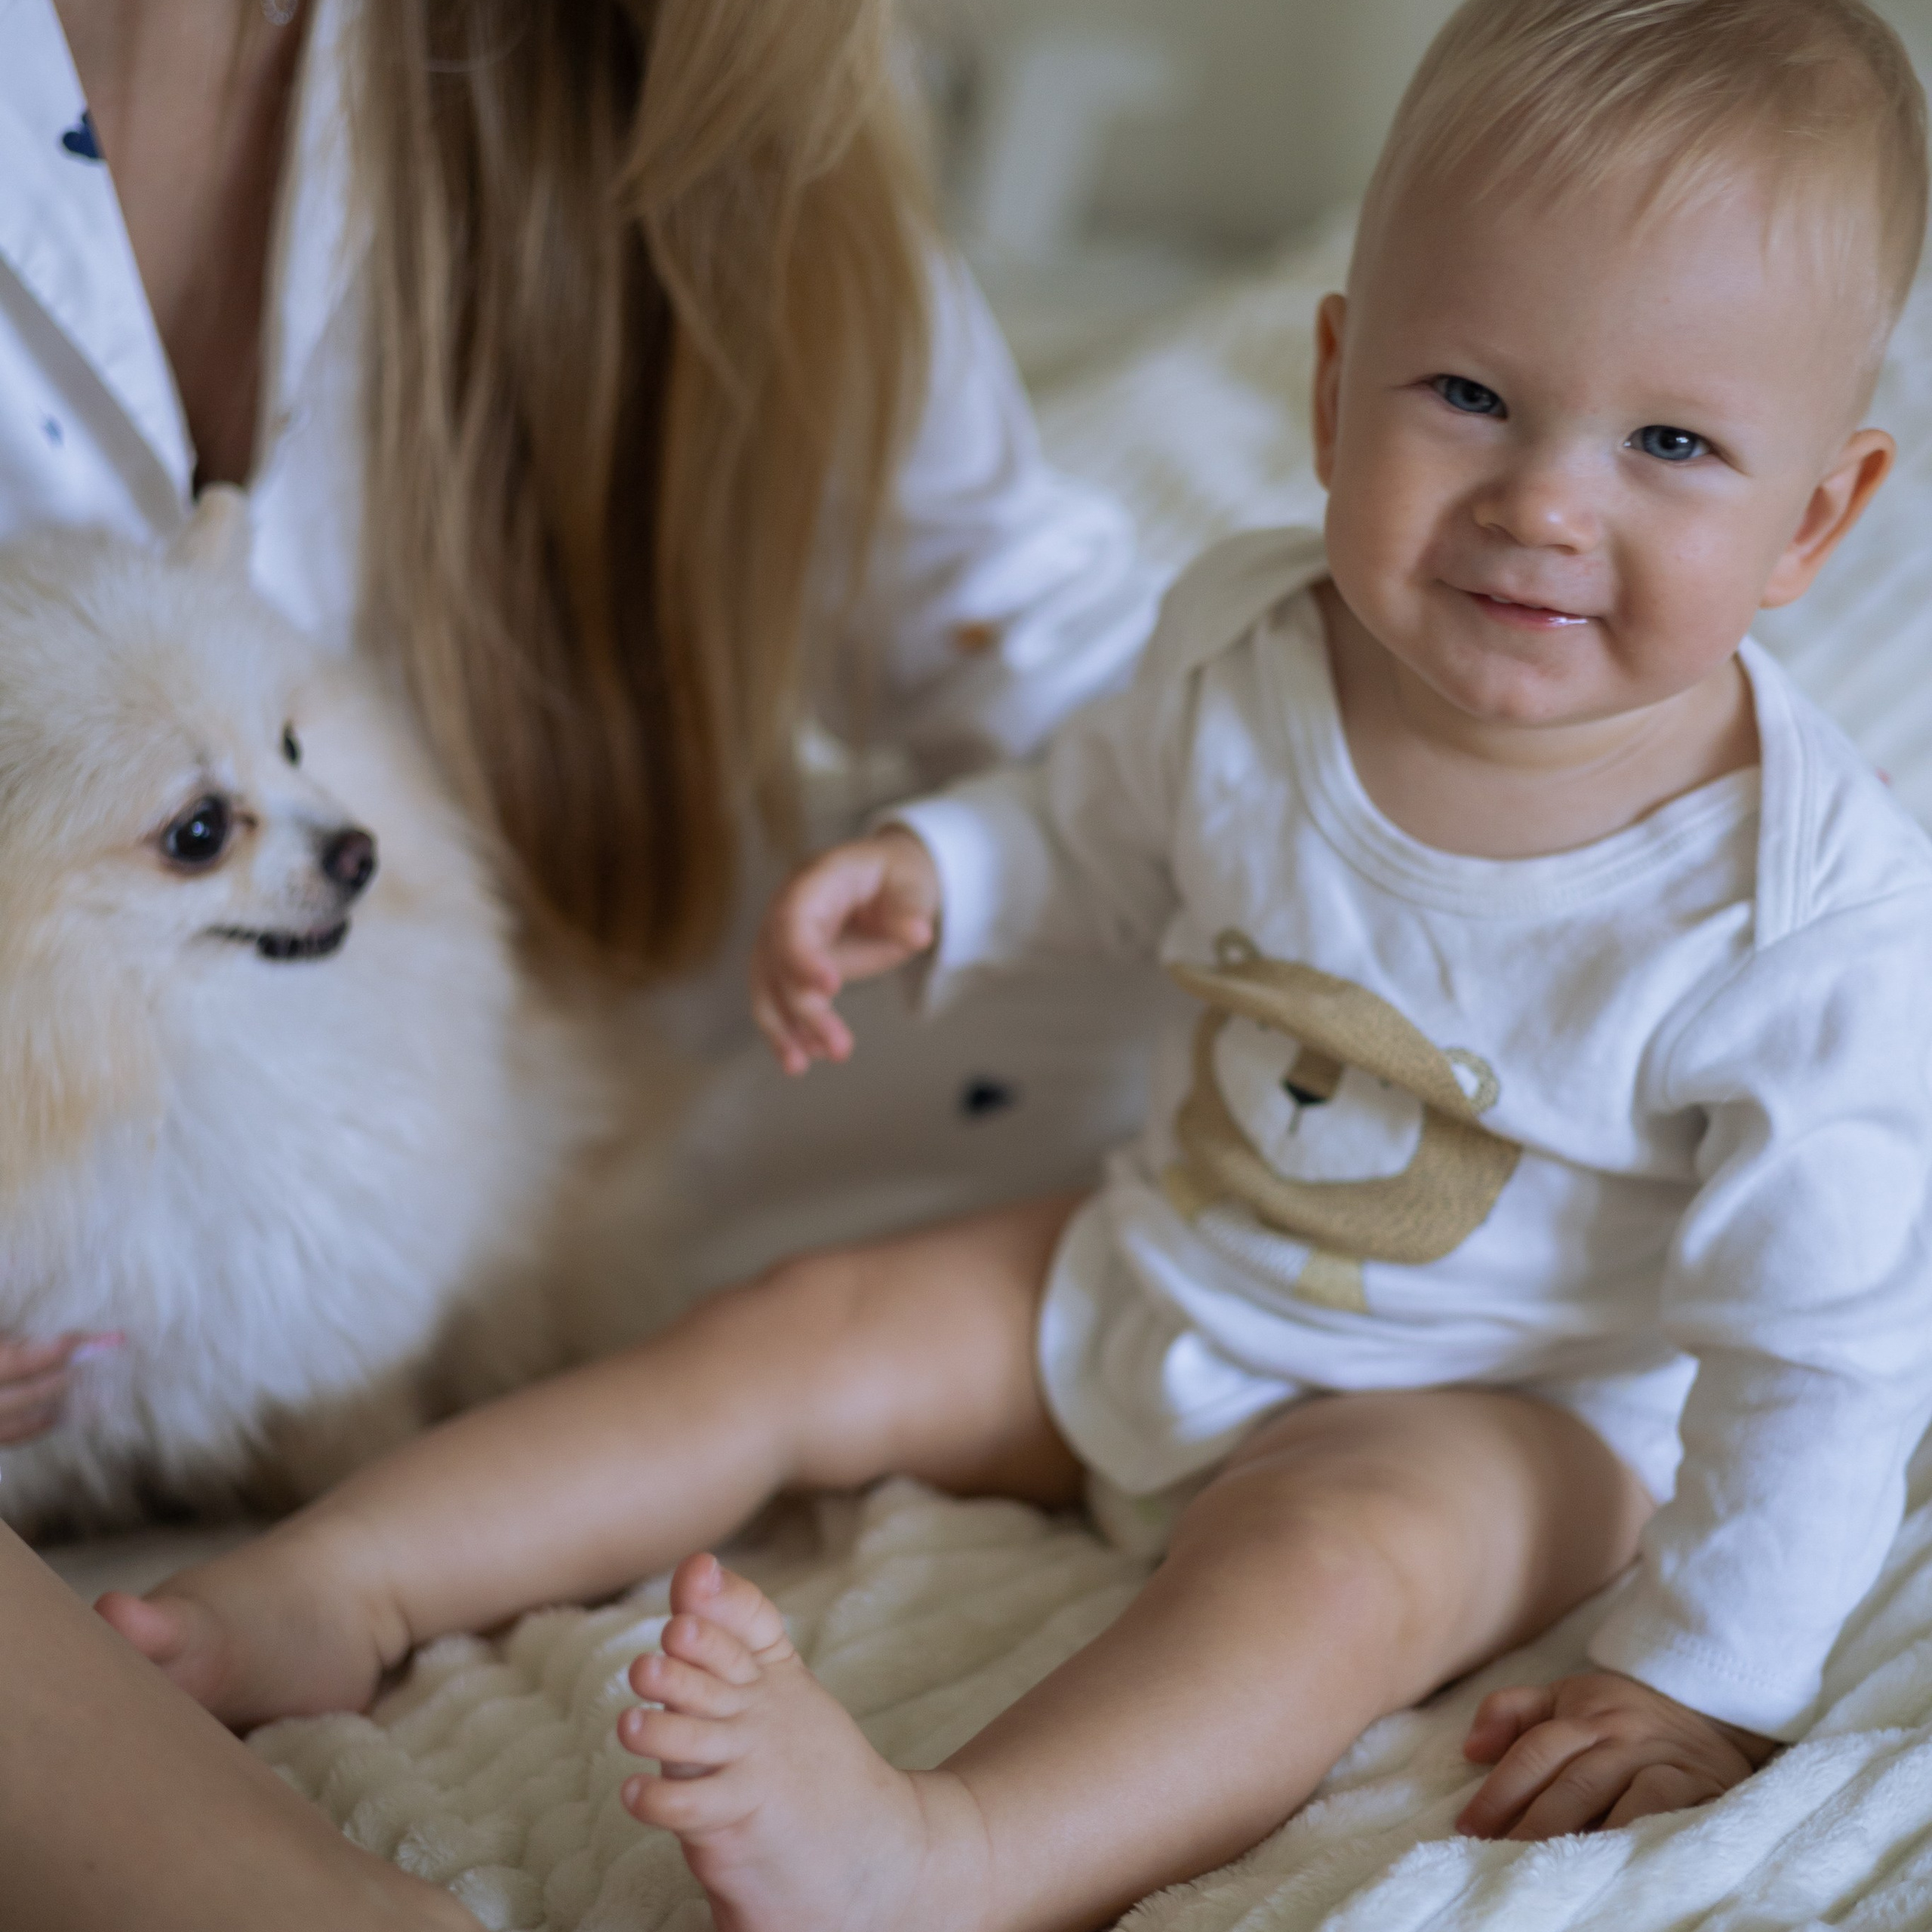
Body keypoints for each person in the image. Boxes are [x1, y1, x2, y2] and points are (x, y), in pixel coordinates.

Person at [97, 0, 1932, 1927]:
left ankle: (945, 1853)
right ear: (1331, 389)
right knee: (800, 1325)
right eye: (1467, 394)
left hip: (1506, 1405)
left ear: (1814, 514)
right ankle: (335, 1580)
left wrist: (1700, 1676)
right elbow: (1104, 812)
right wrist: (944, 869)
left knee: (1325, 1575)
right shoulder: (1257, 646)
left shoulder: (1795, 915)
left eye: (1667, 442)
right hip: (1169, 1245)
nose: (1545, 499)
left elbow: (1818, 1351)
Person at [2, 0, 1162, 1924]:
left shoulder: (674, 68)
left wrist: (1452, 924)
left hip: (622, 1107)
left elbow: (1061, 675)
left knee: (1308, 1352)